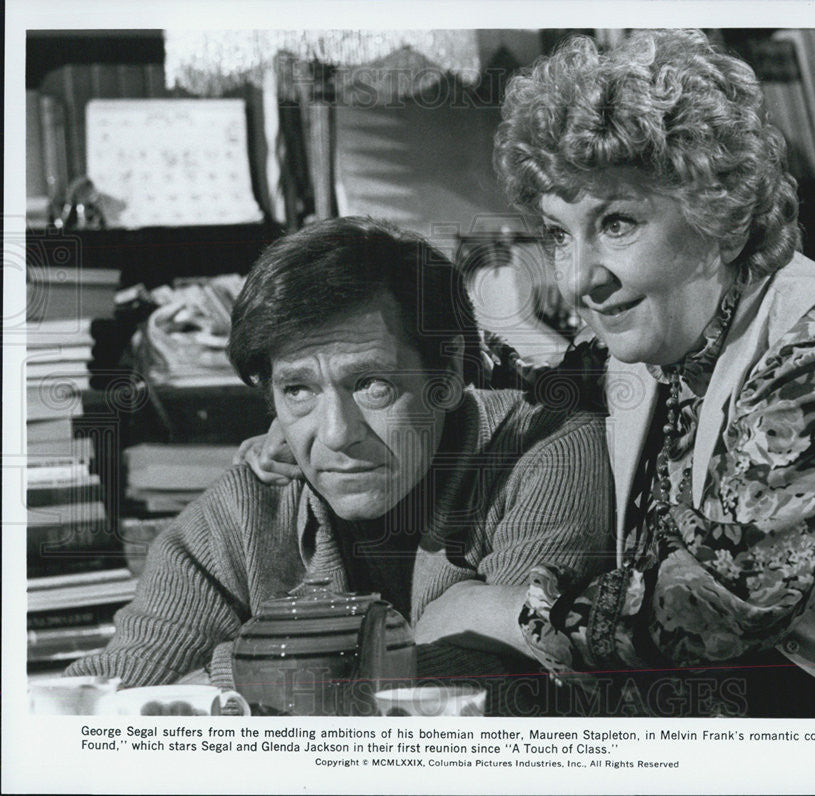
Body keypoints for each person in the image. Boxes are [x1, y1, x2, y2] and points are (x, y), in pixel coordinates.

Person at [487, 29, 815, 718]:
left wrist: (516, 611)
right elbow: (512, 403)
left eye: (617, 223)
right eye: (560, 234)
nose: (576, 281)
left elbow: (718, 612)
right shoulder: (661, 338)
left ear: (718, 212)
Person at [67, 216, 612, 688]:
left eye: (371, 384)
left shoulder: (545, 454)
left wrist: (236, 682)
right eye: (297, 390)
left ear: (445, 375)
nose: (333, 434)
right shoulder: (247, 508)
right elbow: (106, 697)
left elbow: (521, 687)